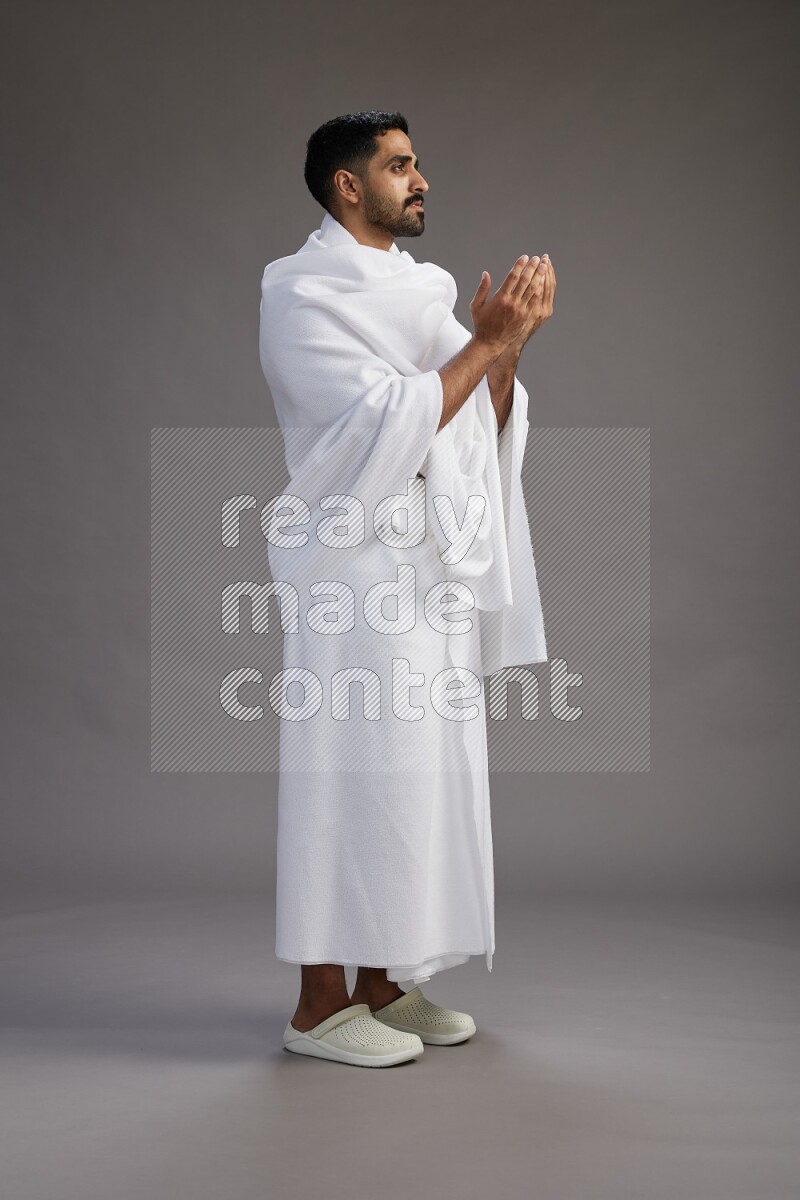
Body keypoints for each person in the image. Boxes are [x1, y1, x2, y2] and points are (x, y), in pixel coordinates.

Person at [258, 111, 555, 1067]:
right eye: (398, 166)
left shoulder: (423, 291)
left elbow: (471, 421)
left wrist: (506, 347)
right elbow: (380, 423)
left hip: (428, 569)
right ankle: (317, 1006)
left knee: (420, 773)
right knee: (348, 771)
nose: (419, 179)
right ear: (349, 186)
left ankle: (386, 985)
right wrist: (482, 345)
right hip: (352, 575)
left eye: (417, 163)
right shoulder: (299, 293)